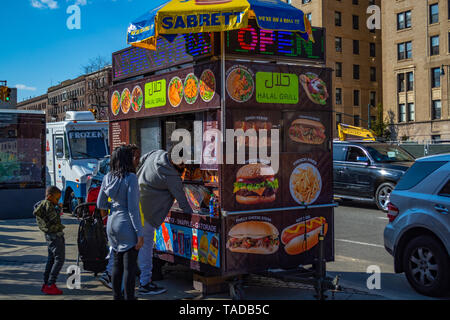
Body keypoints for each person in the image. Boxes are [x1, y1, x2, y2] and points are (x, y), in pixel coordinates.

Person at [136, 147, 193, 295]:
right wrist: (191, 214)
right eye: (183, 163)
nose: (184, 166)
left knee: (134, 244)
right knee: (146, 247)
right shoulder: (171, 175)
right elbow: (181, 199)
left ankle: (114, 273)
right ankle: (145, 282)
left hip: (136, 203)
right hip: (148, 212)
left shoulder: (156, 153)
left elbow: (141, 159)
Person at [97, 146, 144, 300]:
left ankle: (117, 297)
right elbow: (133, 209)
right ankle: (129, 297)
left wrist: (114, 207)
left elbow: (100, 204)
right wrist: (139, 233)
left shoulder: (107, 177)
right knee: (129, 266)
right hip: (126, 224)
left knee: (117, 264)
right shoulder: (130, 178)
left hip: (112, 223)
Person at [33, 186, 65, 295]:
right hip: (55, 235)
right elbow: (54, 218)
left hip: (49, 235)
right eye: (57, 199)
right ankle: (51, 284)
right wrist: (59, 208)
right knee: (59, 259)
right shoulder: (49, 205)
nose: (58, 201)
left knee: (51, 259)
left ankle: (46, 283)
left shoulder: (42, 204)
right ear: (50, 196)